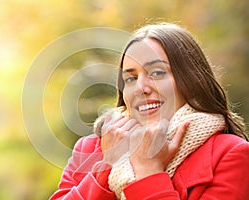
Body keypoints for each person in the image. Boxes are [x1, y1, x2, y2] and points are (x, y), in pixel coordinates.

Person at [49, 23, 249, 200]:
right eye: (130, 78)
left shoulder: (230, 154)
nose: (141, 87)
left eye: (157, 73)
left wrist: (149, 171)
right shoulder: (92, 148)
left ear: (191, 79)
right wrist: (105, 168)